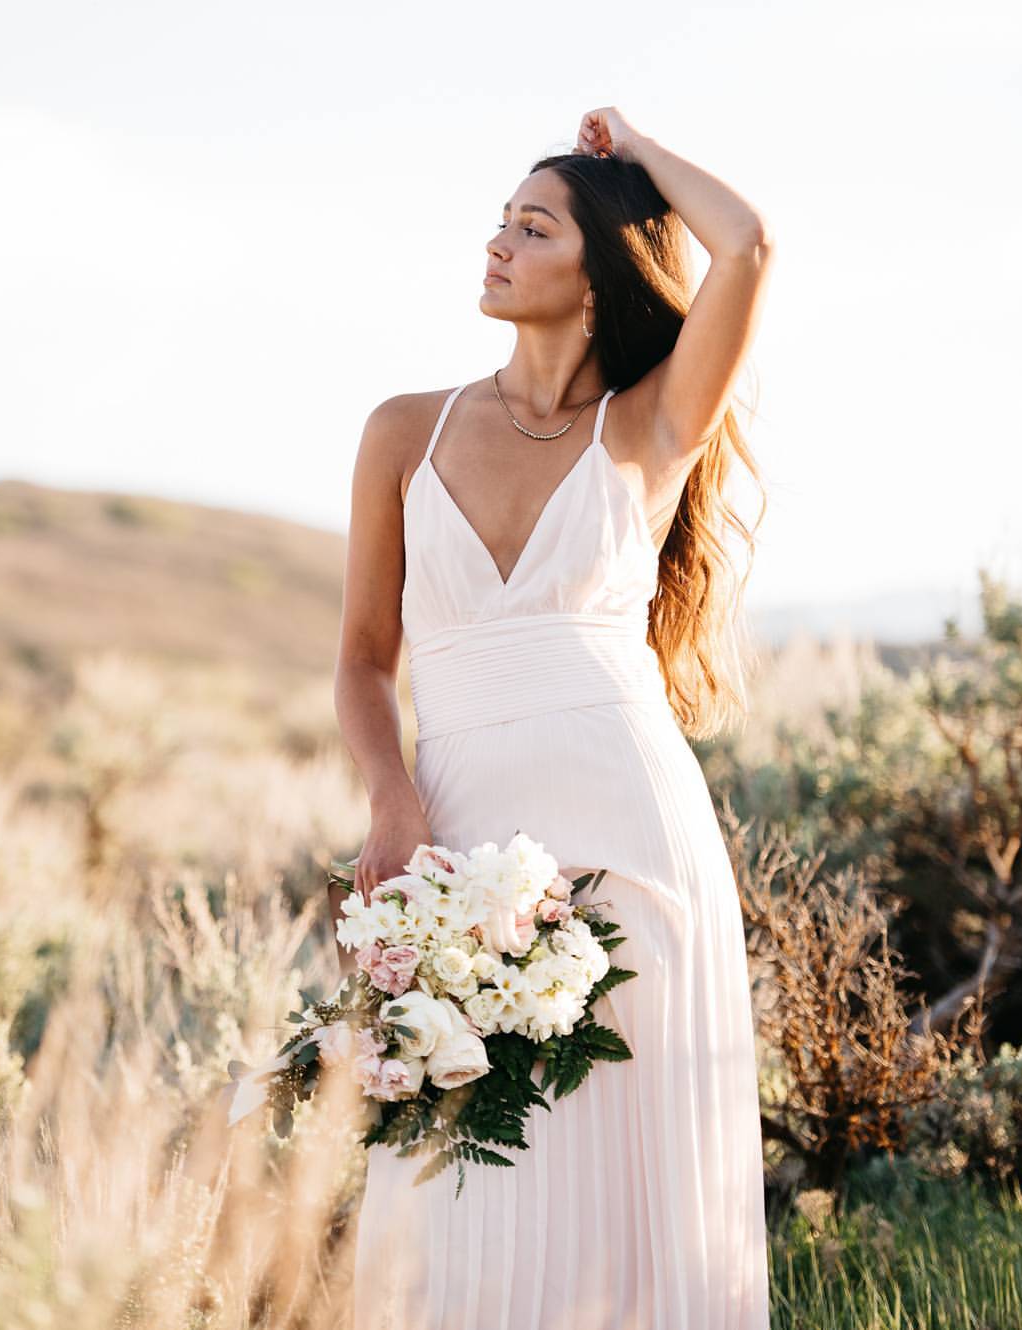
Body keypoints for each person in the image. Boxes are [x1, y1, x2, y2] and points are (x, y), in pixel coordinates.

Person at [333, 105, 776, 1330]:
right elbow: (366, 662)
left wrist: (634, 144)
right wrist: (393, 797)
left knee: (640, 1195)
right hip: (460, 834)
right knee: (463, 1195)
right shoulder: (401, 433)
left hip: (633, 842)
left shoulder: (645, 431)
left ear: (600, 274)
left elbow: (745, 248)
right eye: (500, 220)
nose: (497, 243)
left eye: (533, 227)